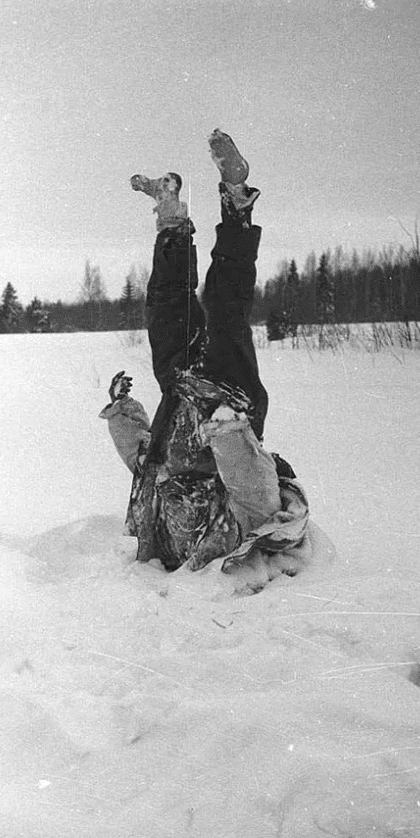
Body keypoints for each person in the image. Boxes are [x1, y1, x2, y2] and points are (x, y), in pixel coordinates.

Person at [99, 130, 323, 590]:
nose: (182, 513)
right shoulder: (234, 529)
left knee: (167, 309)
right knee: (225, 306)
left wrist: (121, 410)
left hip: (180, 393)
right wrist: (229, 430)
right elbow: (255, 494)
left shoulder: (158, 521)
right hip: (228, 397)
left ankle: (171, 216)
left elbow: (138, 457)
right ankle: (236, 201)